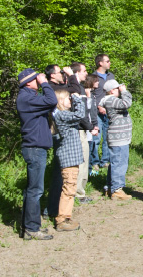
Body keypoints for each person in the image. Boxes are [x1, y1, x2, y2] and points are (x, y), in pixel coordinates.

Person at [16, 68, 58, 240]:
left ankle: (28, 227)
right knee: (35, 190)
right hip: (34, 148)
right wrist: (46, 83)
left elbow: (51, 103)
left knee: (32, 190)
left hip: (36, 147)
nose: (38, 80)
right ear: (28, 82)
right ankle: (32, 229)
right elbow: (52, 99)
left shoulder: (29, 98)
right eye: (35, 79)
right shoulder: (26, 98)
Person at [49, 89, 93, 231]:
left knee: (70, 187)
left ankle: (66, 216)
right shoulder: (62, 115)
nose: (71, 101)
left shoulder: (64, 115)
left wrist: (74, 99)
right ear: (61, 101)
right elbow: (80, 114)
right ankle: (62, 220)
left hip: (71, 158)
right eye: (68, 99)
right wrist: (78, 98)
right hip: (68, 158)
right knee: (68, 188)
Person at [98, 79, 133, 201]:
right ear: (112, 90)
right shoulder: (111, 100)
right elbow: (126, 103)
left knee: (115, 162)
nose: (120, 89)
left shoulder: (109, 100)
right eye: (118, 88)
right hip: (118, 138)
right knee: (119, 162)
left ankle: (110, 187)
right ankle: (117, 190)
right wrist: (125, 91)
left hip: (119, 137)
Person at [67, 63, 94, 203]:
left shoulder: (81, 88)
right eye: (84, 71)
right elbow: (80, 112)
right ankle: (78, 193)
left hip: (83, 129)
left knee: (85, 159)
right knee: (80, 161)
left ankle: (80, 190)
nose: (86, 73)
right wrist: (90, 126)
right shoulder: (74, 89)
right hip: (78, 129)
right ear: (76, 73)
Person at [91, 54, 115, 171]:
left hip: (109, 111)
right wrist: (99, 107)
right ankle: (94, 162)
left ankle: (105, 160)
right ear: (101, 63)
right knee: (96, 138)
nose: (110, 63)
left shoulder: (111, 76)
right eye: (108, 61)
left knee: (107, 137)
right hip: (96, 112)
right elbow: (90, 95)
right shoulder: (93, 77)